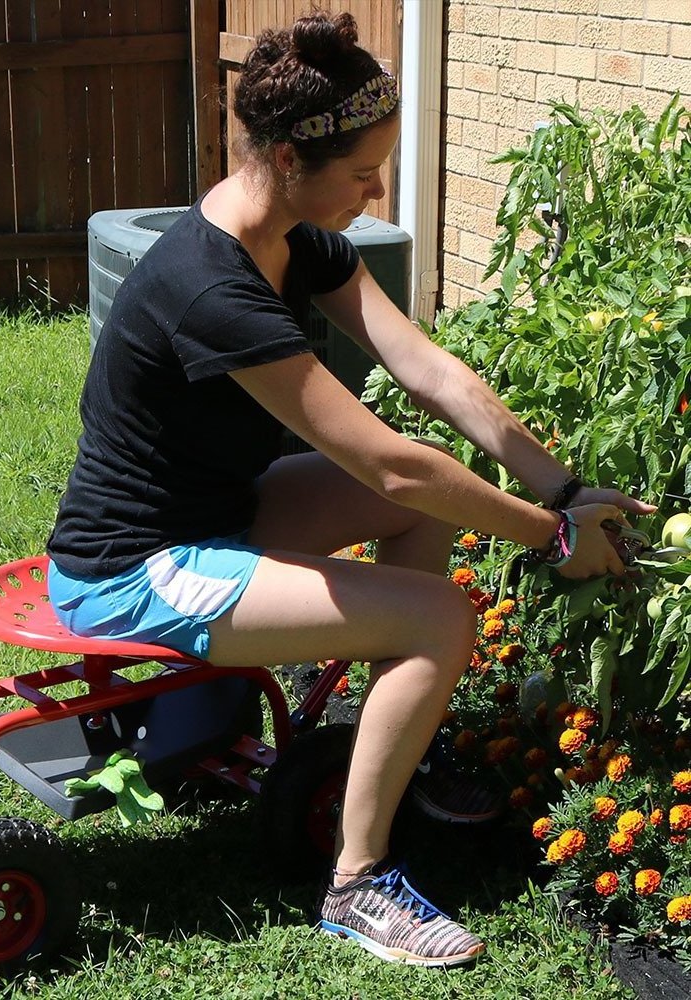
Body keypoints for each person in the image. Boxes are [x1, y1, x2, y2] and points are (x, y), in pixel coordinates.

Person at [46, 10, 655, 968]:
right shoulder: (213, 287)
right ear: (289, 157)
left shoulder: (293, 238)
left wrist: (566, 486)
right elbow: (390, 461)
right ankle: (358, 883)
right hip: (135, 567)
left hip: (215, 515)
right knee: (441, 617)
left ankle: (393, 754)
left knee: (418, 509)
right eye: (363, 172)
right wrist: (547, 534)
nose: (378, 191)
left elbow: (432, 372)